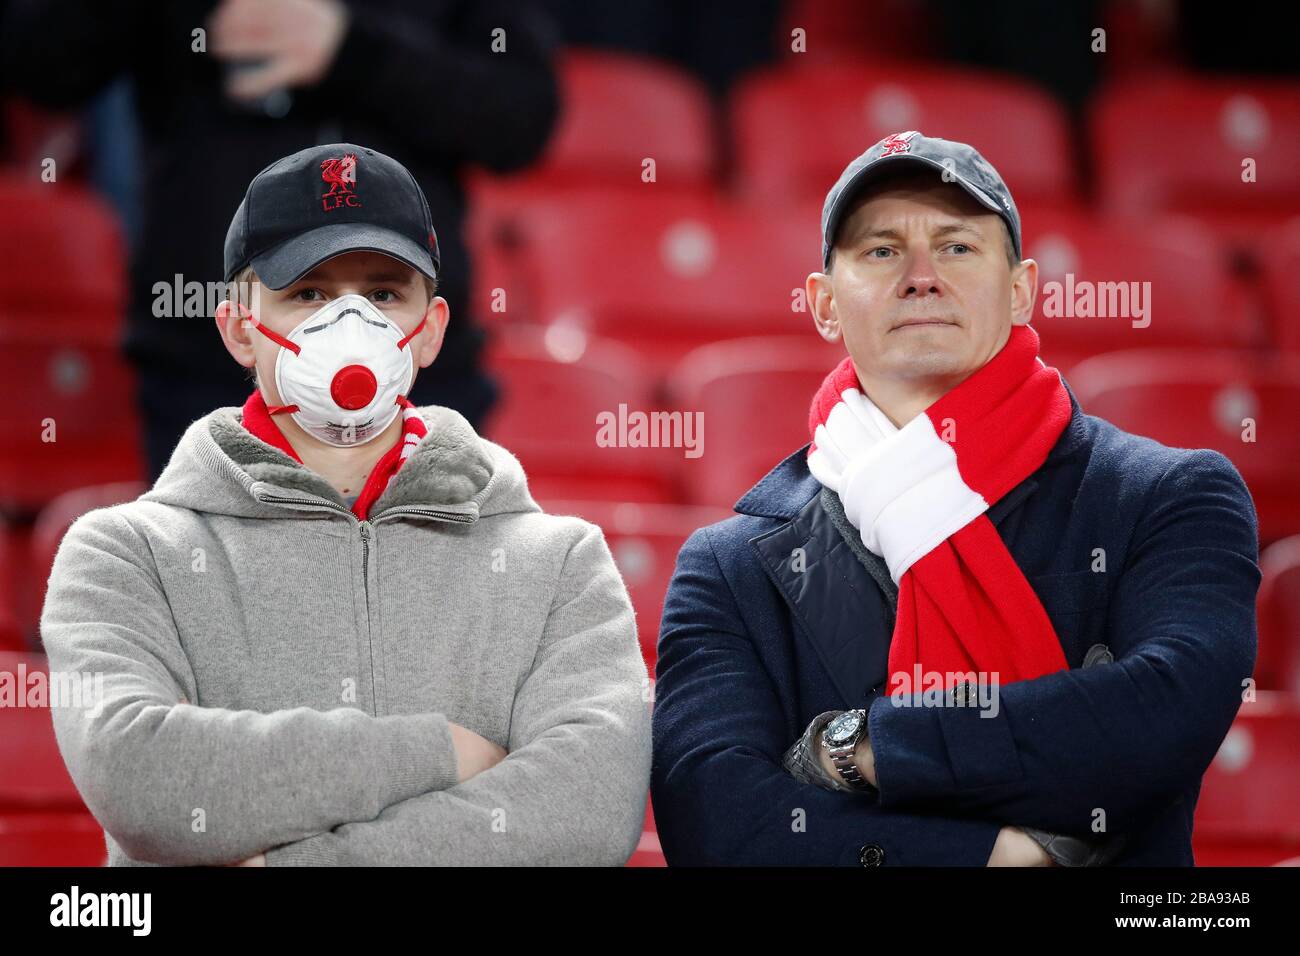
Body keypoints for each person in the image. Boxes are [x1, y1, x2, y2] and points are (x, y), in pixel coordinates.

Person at [651, 131, 1260, 866]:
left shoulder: (1165, 497)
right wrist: (988, 857)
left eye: (958, 247)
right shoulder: (728, 568)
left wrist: (865, 748)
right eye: (880, 251)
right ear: (823, 304)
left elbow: (1161, 716)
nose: (920, 276)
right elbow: (717, 825)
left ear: (1022, 289)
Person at [39, 143, 651, 866]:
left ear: (429, 329)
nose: (349, 323)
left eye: (385, 294)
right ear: (239, 326)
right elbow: (142, 778)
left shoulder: (561, 562)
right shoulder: (123, 552)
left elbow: (587, 813)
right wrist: (440, 751)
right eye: (308, 294)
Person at [0, 0, 560, 482]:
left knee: (420, 597)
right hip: (209, 355)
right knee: (213, 599)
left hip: (411, 357)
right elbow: (42, 61)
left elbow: (522, 113)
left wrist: (349, 49)